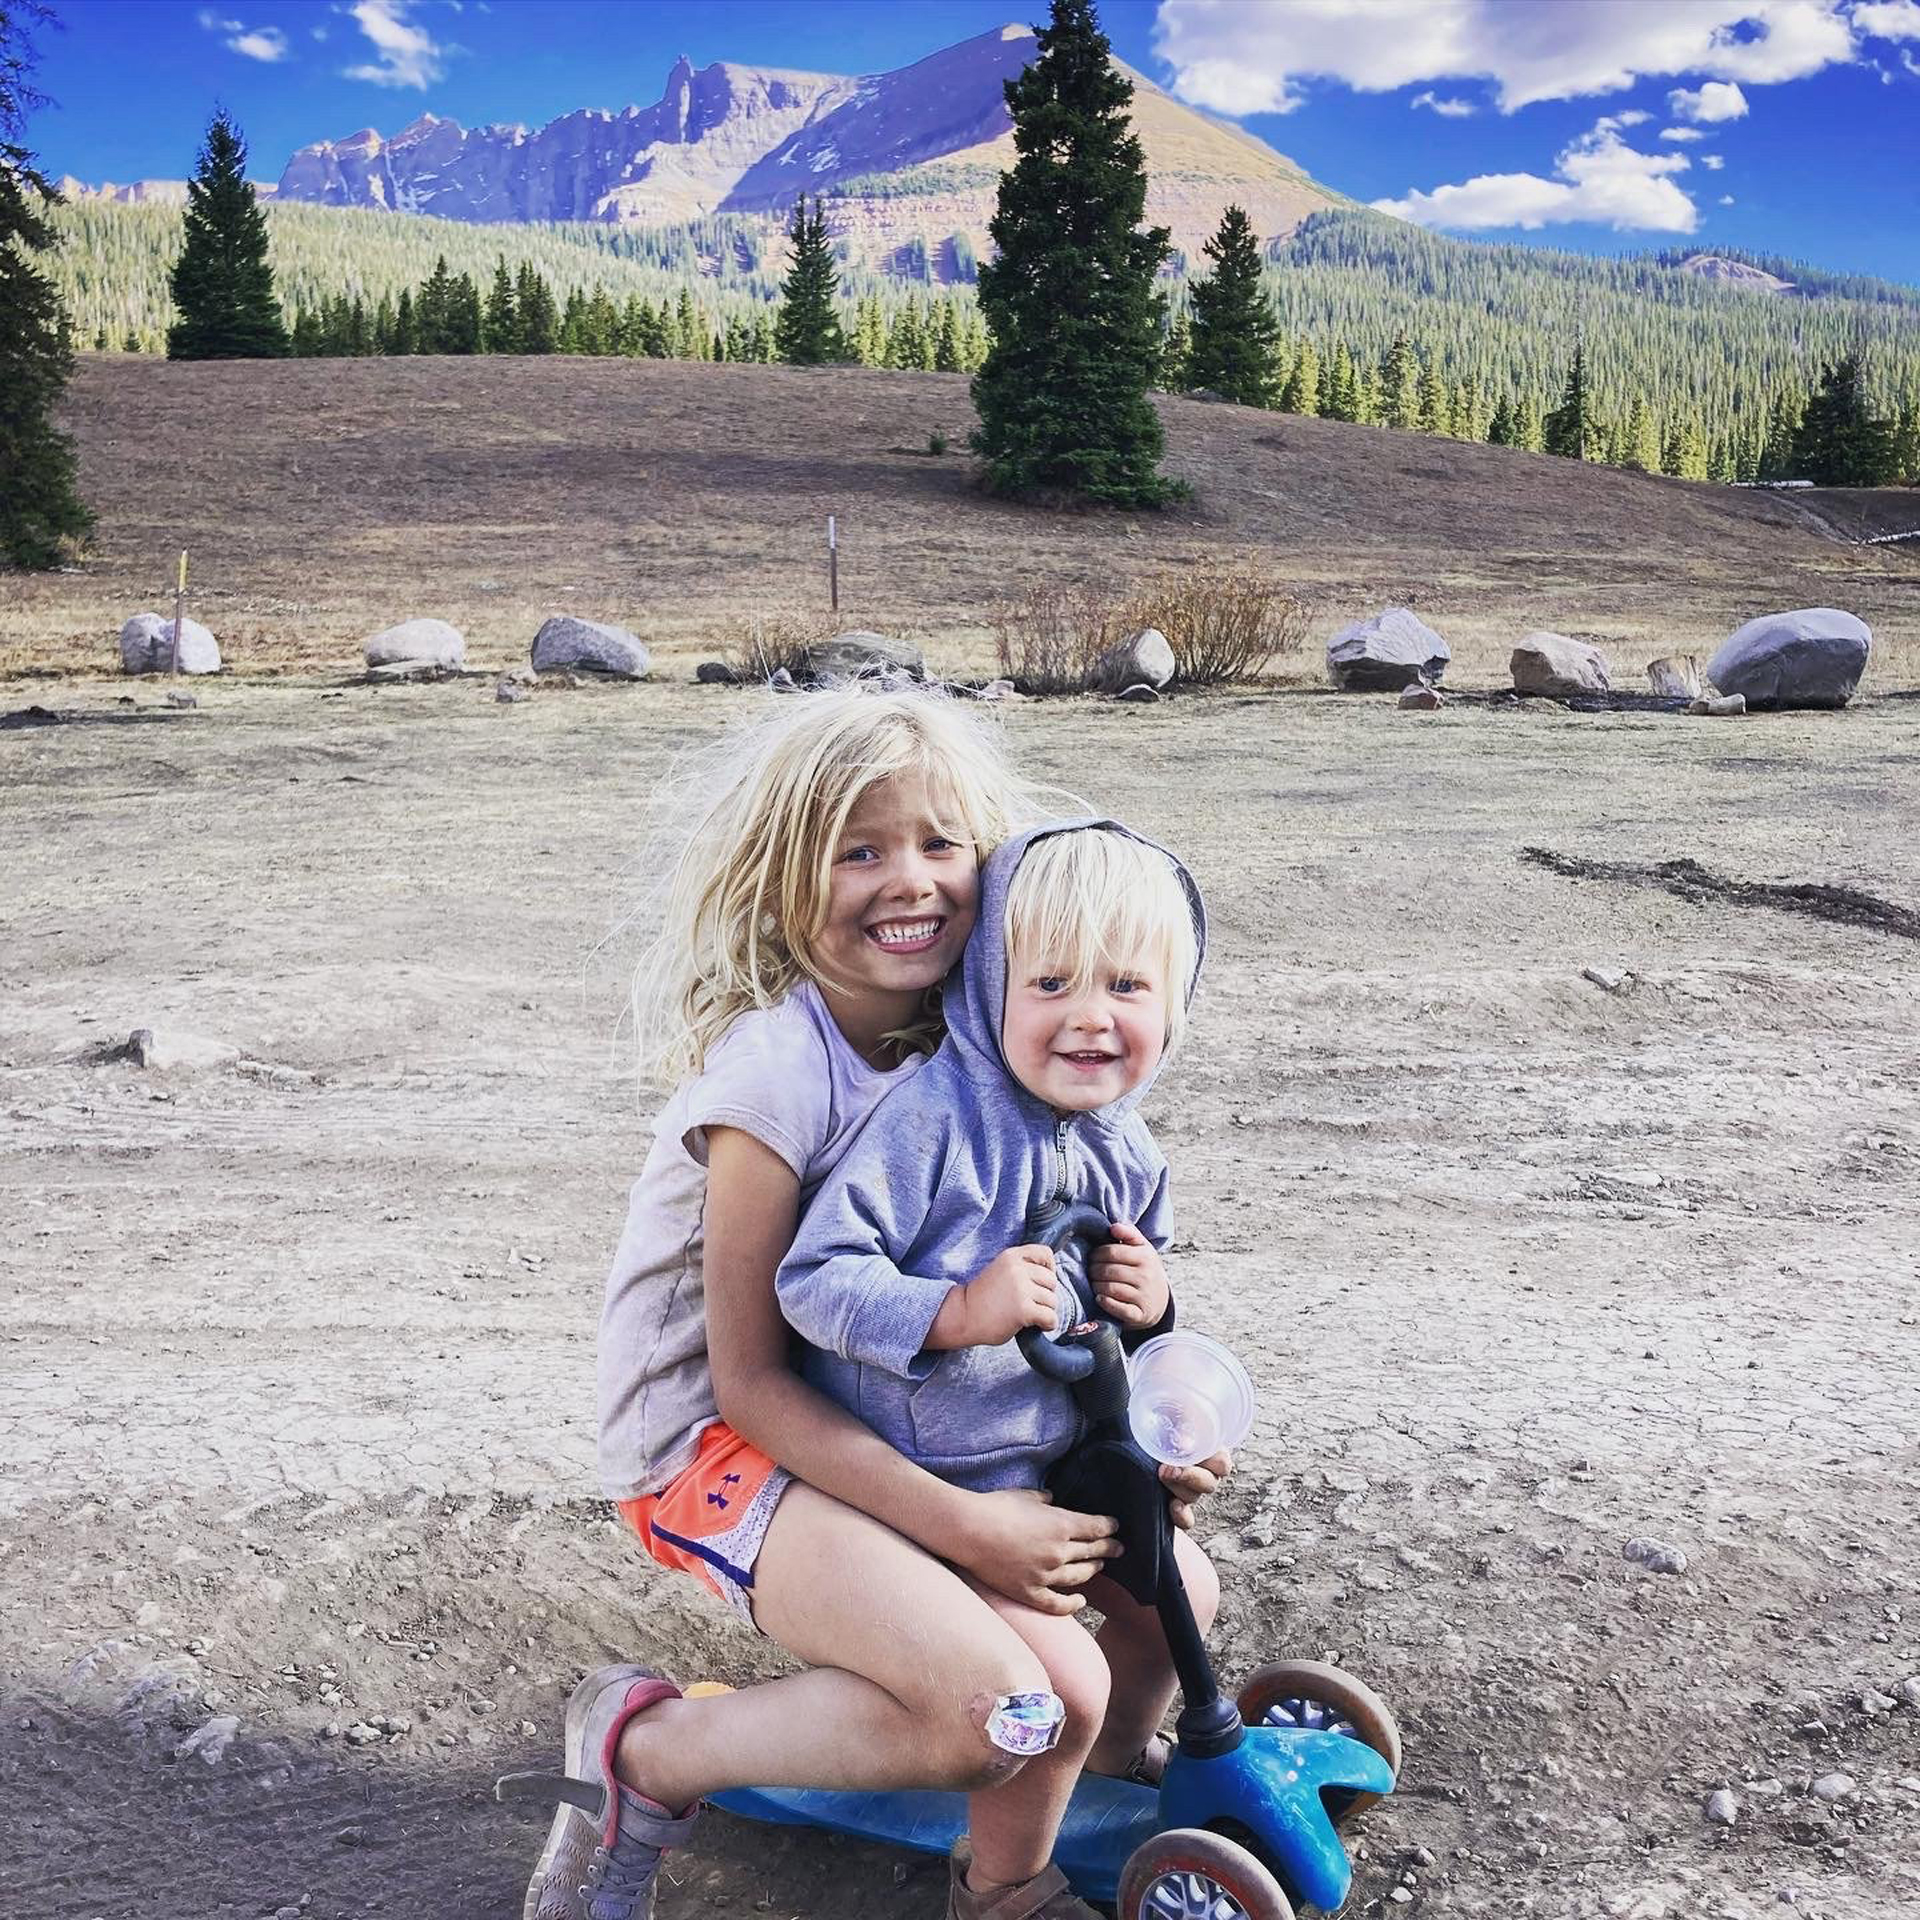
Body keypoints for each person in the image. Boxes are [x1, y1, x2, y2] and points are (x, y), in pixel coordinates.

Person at [508, 691, 1228, 1920]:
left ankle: (1068, 1802)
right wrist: (965, 1527)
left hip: (895, 1415)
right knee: (993, 1706)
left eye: (943, 845)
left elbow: (1074, 1260)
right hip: (729, 1444)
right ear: (784, 881)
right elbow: (751, 1381)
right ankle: (650, 1753)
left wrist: (1147, 1401)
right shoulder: (777, 1083)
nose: (913, 882)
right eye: (861, 849)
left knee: (1139, 1620)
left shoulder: (991, 1036)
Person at [776, 819, 1218, 1915]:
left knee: (1185, 1595)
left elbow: (1135, 1343)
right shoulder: (930, 1123)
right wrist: (956, 1310)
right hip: (920, 1492)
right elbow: (813, 1280)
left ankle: (1112, 1767)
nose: (1089, 1015)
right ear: (987, 988)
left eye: (1127, 985)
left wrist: (1159, 1316)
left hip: (1050, 1476)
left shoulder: (1130, 1149)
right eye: (1051, 980)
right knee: (1059, 1686)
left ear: (1175, 1004)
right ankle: (1005, 1882)